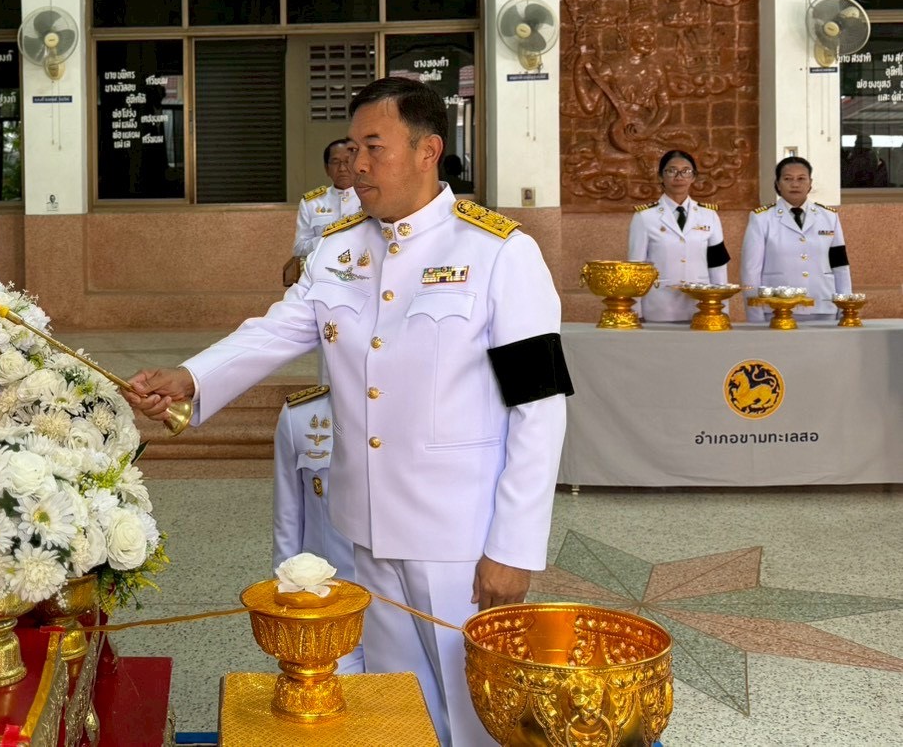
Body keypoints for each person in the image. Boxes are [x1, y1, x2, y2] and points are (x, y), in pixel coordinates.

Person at [126, 76, 572, 747]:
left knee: (476, 711)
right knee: (394, 705)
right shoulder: (338, 250)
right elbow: (274, 331)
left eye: (374, 146)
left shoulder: (498, 253)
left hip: (459, 534)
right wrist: (190, 377)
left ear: (427, 152)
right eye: (353, 147)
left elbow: (538, 407)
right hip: (363, 526)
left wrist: (512, 546)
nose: (356, 165)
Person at [273, 385, 363, 674]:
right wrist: (285, 600)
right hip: (327, 605)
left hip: (400, 605)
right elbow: (288, 518)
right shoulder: (300, 415)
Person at [741, 156, 851, 321]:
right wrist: (755, 314)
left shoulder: (829, 217)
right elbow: (750, 271)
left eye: (801, 178)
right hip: (777, 308)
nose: (795, 184)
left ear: (810, 183)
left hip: (823, 305)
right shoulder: (761, 218)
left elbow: (840, 266)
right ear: (778, 184)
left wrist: (845, 308)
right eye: (788, 179)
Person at [627, 149, 730, 323]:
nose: (679, 177)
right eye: (671, 171)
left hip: (701, 307)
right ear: (661, 176)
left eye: (686, 171)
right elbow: (636, 268)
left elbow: (717, 266)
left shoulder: (709, 216)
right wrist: (635, 310)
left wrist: (722, 308)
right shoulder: (645, 217)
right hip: (659, 306)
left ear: (694, 177)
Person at [282, 139, 358, 288]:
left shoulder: (372, 198)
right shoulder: (312, 203)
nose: (342, 168)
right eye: (335, 162)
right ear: (326, 168)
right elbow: (299, 248)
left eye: (347, 161)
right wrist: (332, 239)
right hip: (322, 277)